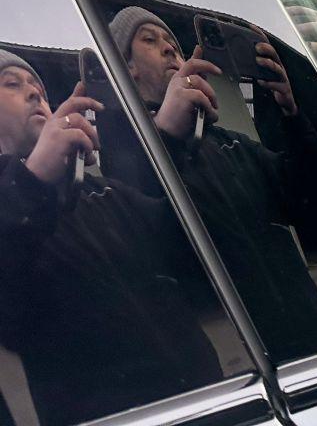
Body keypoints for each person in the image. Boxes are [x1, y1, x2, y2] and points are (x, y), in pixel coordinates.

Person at [0, 48, 224, 426]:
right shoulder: (15, 208)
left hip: (212, 403)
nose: (36, 92)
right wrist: (32, 183)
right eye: (11, 84)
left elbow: (199, 250)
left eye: (38, 86)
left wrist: (168, 139)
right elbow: (10, 319)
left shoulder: (103, 192)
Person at [108, 6, 317, 361]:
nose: (169, 49)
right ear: (127, 68)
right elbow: (154, 248)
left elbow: (316, 202)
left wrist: (292, 112)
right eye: (149, 40)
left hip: (310, 340)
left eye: (174, 44)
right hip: (236, 363)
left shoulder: (230, 143)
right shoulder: (124, 157)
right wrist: (165, 137)